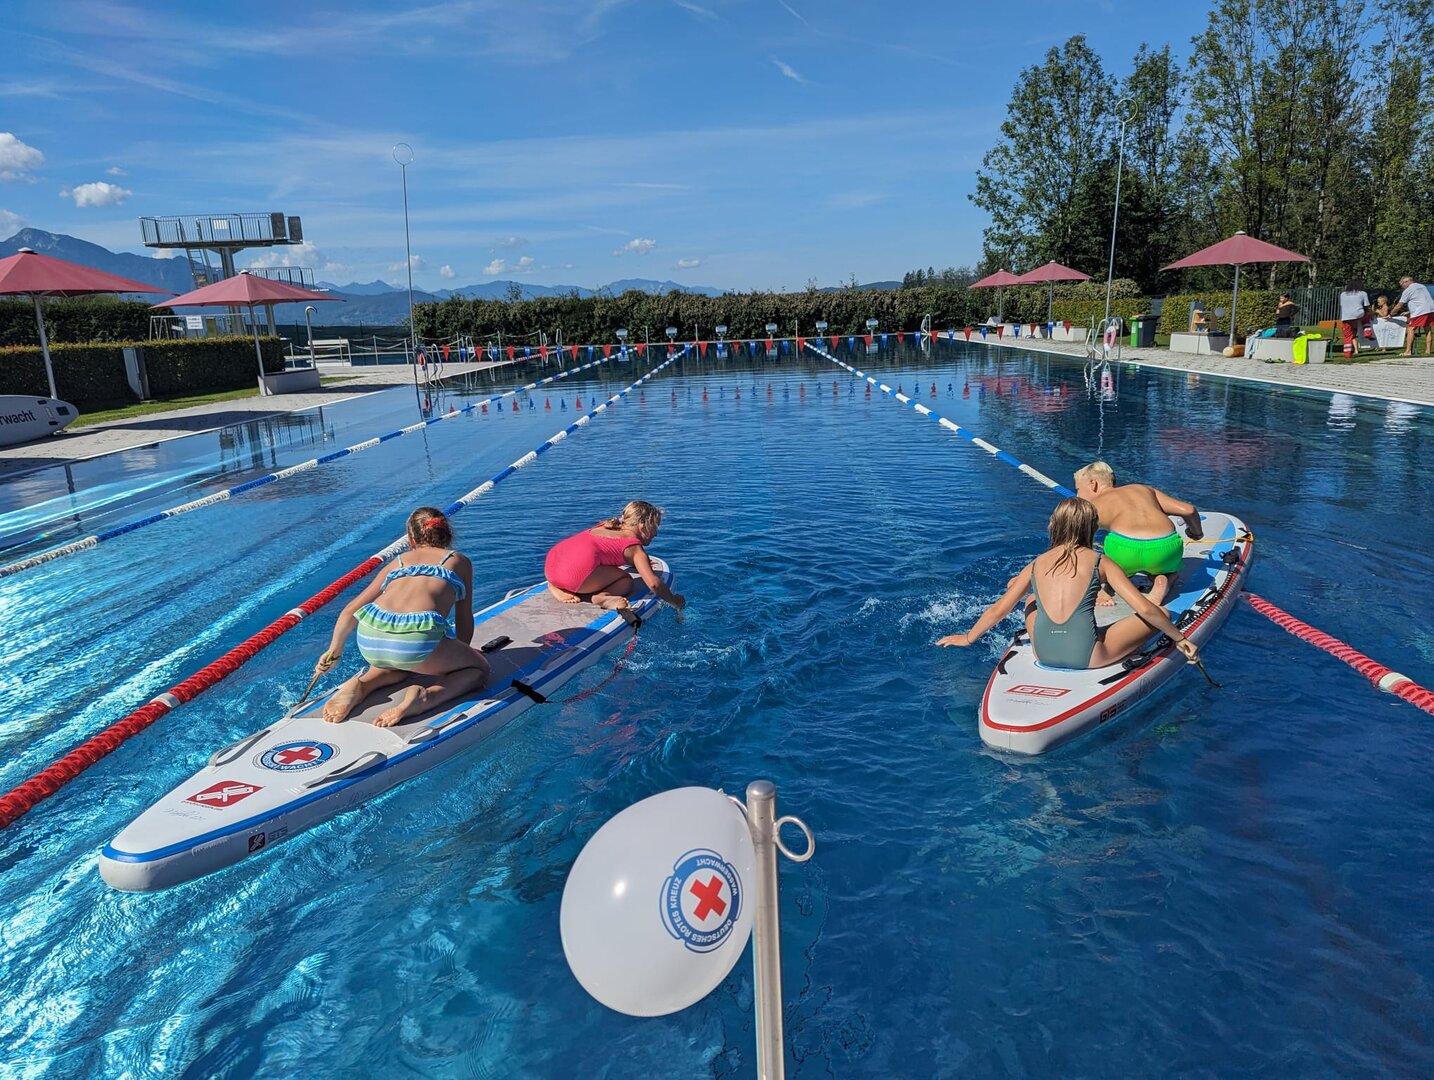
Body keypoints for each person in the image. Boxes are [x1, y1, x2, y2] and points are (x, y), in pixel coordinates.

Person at [935, 498, 1199, 670]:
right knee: (1161, 613)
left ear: (1054, 526)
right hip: (1090, 657)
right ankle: (1156, 590)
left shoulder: (1037, 563)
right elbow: (1145, 609)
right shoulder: (1101, 562)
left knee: (1030, 601)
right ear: (1092, 528)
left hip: (1043, 652)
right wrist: (1180, 639)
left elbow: (1000, 609)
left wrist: (968, 638)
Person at [316, 507, 489, 727]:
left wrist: (333, 651)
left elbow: (350, 609)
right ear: (448, 533)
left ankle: (362, 684)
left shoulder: (399, 561)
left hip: (371, 637)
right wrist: (460, 656)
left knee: (398, 667)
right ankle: (425, 698)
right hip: (414, 642)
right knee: (478, 669)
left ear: (411, 537)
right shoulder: (458, 561)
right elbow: (464, 617)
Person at [1073, 460, 1202, 606]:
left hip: (1125, 550)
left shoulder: (1093, 507)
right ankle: (1162, 579)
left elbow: (1080, 546)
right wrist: (1196, 533)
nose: (1078, 495)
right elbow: (1188, 510)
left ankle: (1099, 587)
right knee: (1166, 570)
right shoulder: (1143, 489)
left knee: (1102, 565)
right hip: (1165, 548)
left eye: (1078, 489)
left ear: (1093, 484)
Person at [544, 499, 686, 612]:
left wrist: (638, 563)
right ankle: (603, 598)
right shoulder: (635, 548)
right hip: (574, 578)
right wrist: (674, 601)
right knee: (625, 579)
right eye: (655, 527)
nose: (656, 533)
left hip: (551, 566)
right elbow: (654, 584)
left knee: (593, 561)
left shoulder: (605, 526)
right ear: (643, 526)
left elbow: (606, 550)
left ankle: (555, 585)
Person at [1389, 276, 1434, 357]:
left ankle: (1408, 351)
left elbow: (1399, 305)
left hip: (1420, 312)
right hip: (1431, 310)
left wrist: (1391, 314)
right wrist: (1409, 311)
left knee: (1411, 329)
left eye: (1401, 284)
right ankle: (1428, 351)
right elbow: (1422, 300)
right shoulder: (1422, 286)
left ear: (1406, 282)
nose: (1401, 286)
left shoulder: (1408, 290)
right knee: (1428, 330)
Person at [1337, 278, 1371, 356]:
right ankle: (1367, 332)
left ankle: (1347, 353)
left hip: (1346, 316)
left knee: (1348, 335)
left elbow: (1342, 305)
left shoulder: (1343, 294)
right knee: (1366, 318)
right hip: (1358, 313)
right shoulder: (1362, 293)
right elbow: (1367, 306)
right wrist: (1370, 313)